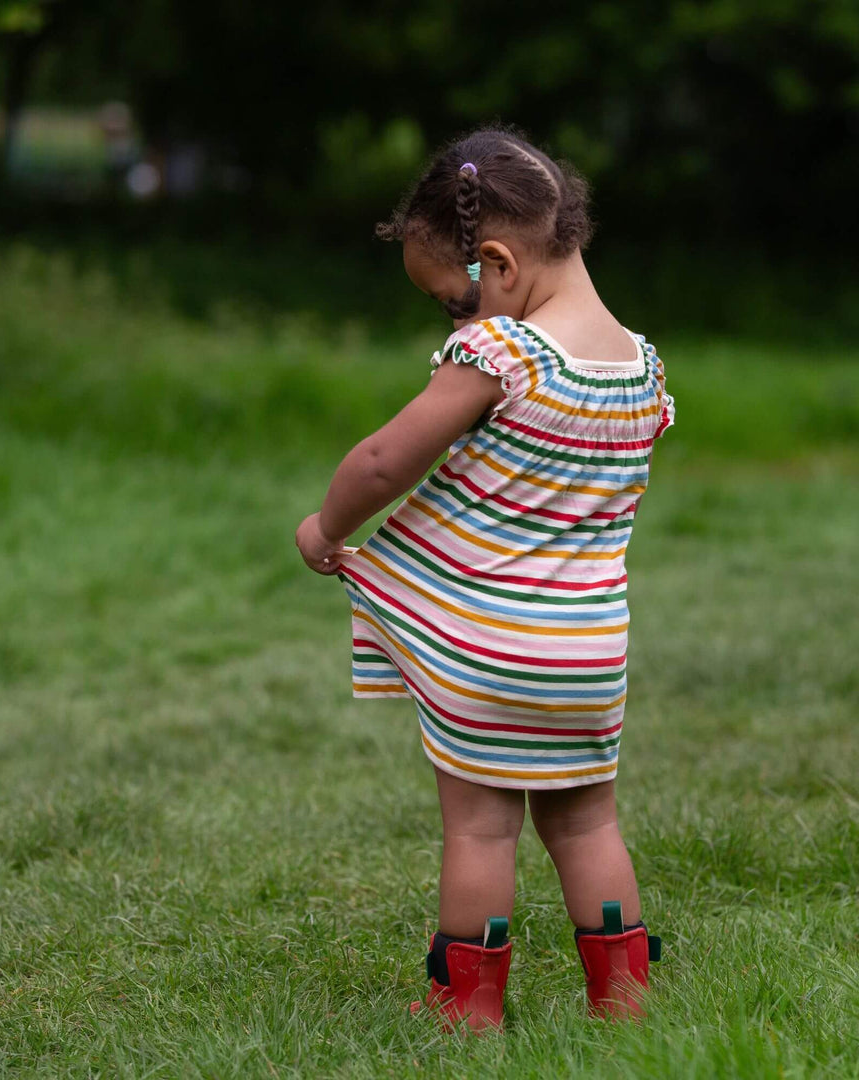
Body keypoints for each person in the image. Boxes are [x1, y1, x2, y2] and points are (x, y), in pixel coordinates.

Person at [295, 129, 672, 1031]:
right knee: (587, 825)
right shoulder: (643, 370)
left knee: (479, 829)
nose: (457, 325)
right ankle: (623, 1004)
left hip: (491, 650)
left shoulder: (503, 357)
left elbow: (388, 460)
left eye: (452, 301)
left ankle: (467, 1015)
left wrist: (327, 526)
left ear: (498, 262)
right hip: (590, 652)